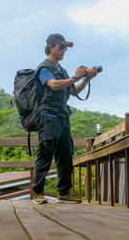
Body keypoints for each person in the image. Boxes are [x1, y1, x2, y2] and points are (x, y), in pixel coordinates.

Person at [32, 33, 98, 204]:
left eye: (65, 48)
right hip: (47, 117)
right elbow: (53, 85)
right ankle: (38, 193)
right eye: (61, 47)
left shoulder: (62, 71)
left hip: (62, 117)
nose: (64, 51)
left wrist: (86, 80)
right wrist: (75, 77)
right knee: (45, 154)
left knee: (66, 155)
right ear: (51, 46)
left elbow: (72, 91)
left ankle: (64, 193)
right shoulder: (44, 68)